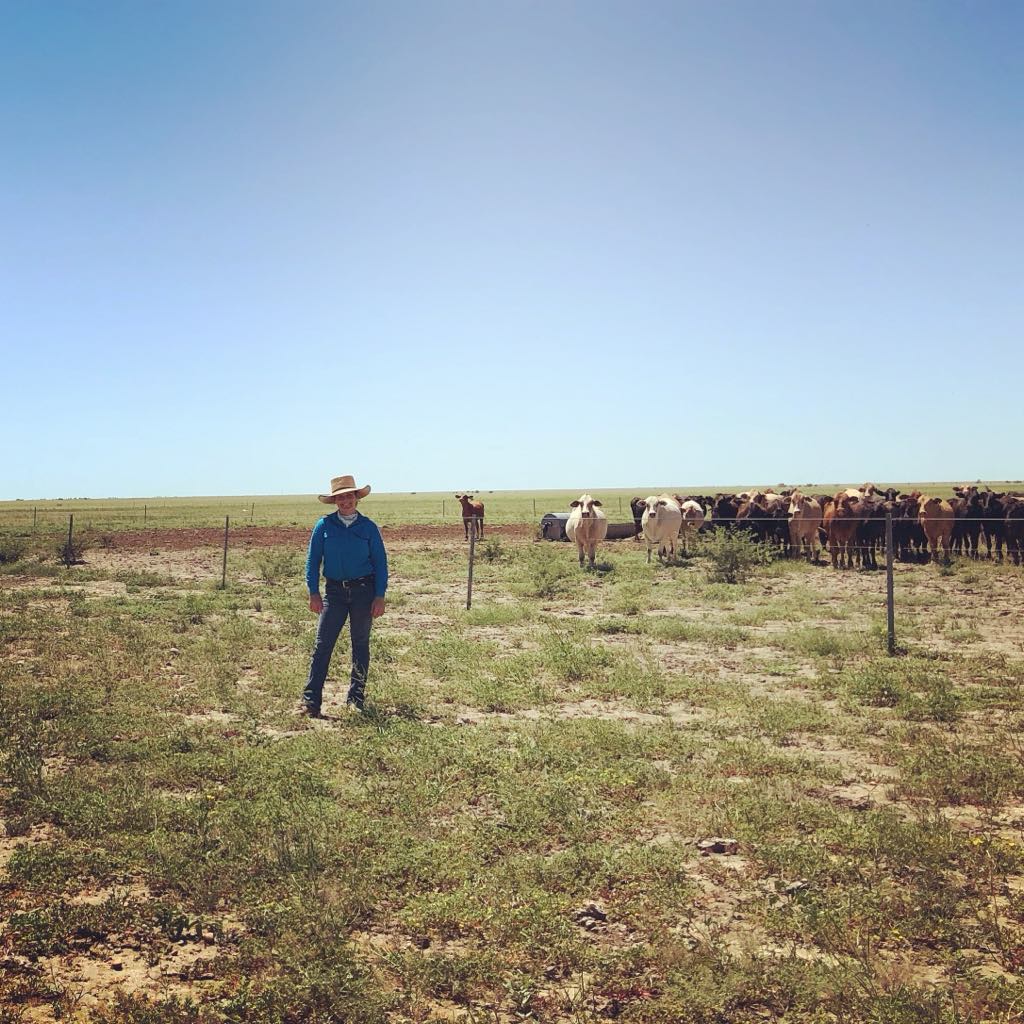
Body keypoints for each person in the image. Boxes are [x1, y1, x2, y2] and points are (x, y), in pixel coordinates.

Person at [301, 474, 388, 716]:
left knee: (360, 645)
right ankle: (311, 702)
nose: (345, 501)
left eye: (349, 496)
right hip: (334, 594)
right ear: (335, 501)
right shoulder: (324, 526)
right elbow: (312, 561)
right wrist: (313, 592)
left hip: (364, 592)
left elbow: (381, 563)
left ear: (356, 498)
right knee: (322, 645)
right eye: (340, 497)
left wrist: (379, 595)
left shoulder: (368, 527)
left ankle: (356, 700)